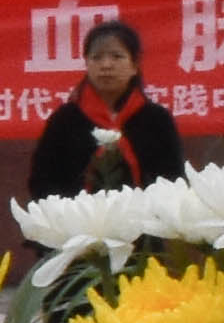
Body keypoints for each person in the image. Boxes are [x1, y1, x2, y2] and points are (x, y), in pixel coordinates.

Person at [22, 18, 182, 202]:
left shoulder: (157, 120)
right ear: (86, 64)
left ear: (135, 65)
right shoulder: (65, 120)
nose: (106, 65)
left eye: (117, 56)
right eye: (96, 57)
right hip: (78, 217)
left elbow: (173, 180)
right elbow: (42, 182)